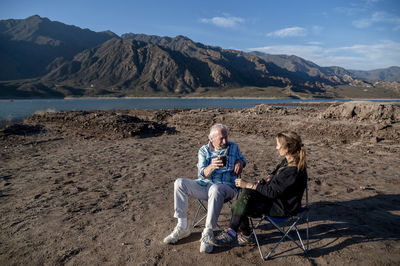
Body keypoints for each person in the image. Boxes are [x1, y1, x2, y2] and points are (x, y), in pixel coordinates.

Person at [213, 131, 307, 246]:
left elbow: (272, 192)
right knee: (245, 196)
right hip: (277, 199)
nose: (276, 147)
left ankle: (240, 233)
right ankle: (237, 232)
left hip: (282, 208)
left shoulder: (292, 171)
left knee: (238, 204)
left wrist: (249, 185)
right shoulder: (288, 162)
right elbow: (274, 180)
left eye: (278, 144)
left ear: (287, 148)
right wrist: (262, 182)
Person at [163, 124, 247, 253]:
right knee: (179, 183)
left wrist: (240, 162)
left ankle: (208, 233)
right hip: (205, 186)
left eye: (226, 137)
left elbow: (243, 159)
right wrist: (212, 166)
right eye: (221, 138)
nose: (225, 141)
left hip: (227, 188)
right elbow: (201, 174)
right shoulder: (203, 151)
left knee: (215, 189)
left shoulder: (233, 147)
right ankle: (182, 226)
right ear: (211, 139)